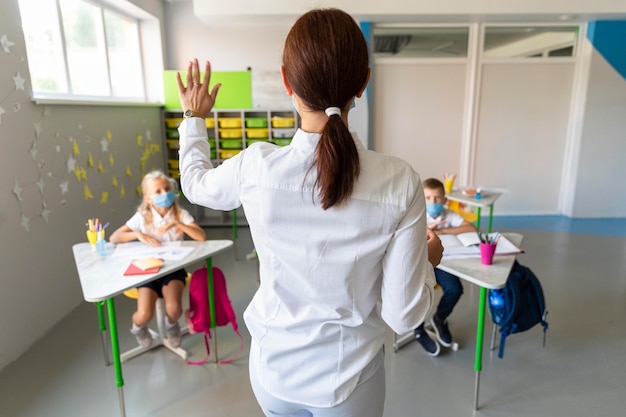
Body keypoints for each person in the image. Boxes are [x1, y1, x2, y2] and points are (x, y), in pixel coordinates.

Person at [176, 8, 443, 417]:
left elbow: (196, 184)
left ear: (286, 81)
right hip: (349, 384)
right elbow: (404, 315)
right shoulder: (399, 181)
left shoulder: (256, 167)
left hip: (273, 375)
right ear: (363, 84)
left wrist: (194, 118)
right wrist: (427, 263)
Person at [109, 170, 206, 348]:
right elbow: (114, 237)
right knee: (144, 314)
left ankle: (172, 325)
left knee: (174, 309)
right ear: (148, 198)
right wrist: (137, 234)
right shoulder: (142, 217)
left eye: (167, 188)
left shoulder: (180, 214)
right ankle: (138, 328)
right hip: (148, 270)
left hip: (173, 269)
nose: (164, 193)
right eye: (158, 191)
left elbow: (201, 237)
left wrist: (179, 224)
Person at [414, 177, 477, 356]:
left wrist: (444, 230)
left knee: (455, 288)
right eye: (428, 198)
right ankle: (418, 330)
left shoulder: (449, 214)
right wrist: (426, 229)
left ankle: (440, 318)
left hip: (443, 262)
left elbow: (470, 227)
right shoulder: (417, 214)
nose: (433, 202)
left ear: (444, 199)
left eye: (437, 198)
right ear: (421, 198)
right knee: (420, 292)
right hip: (422, 262)